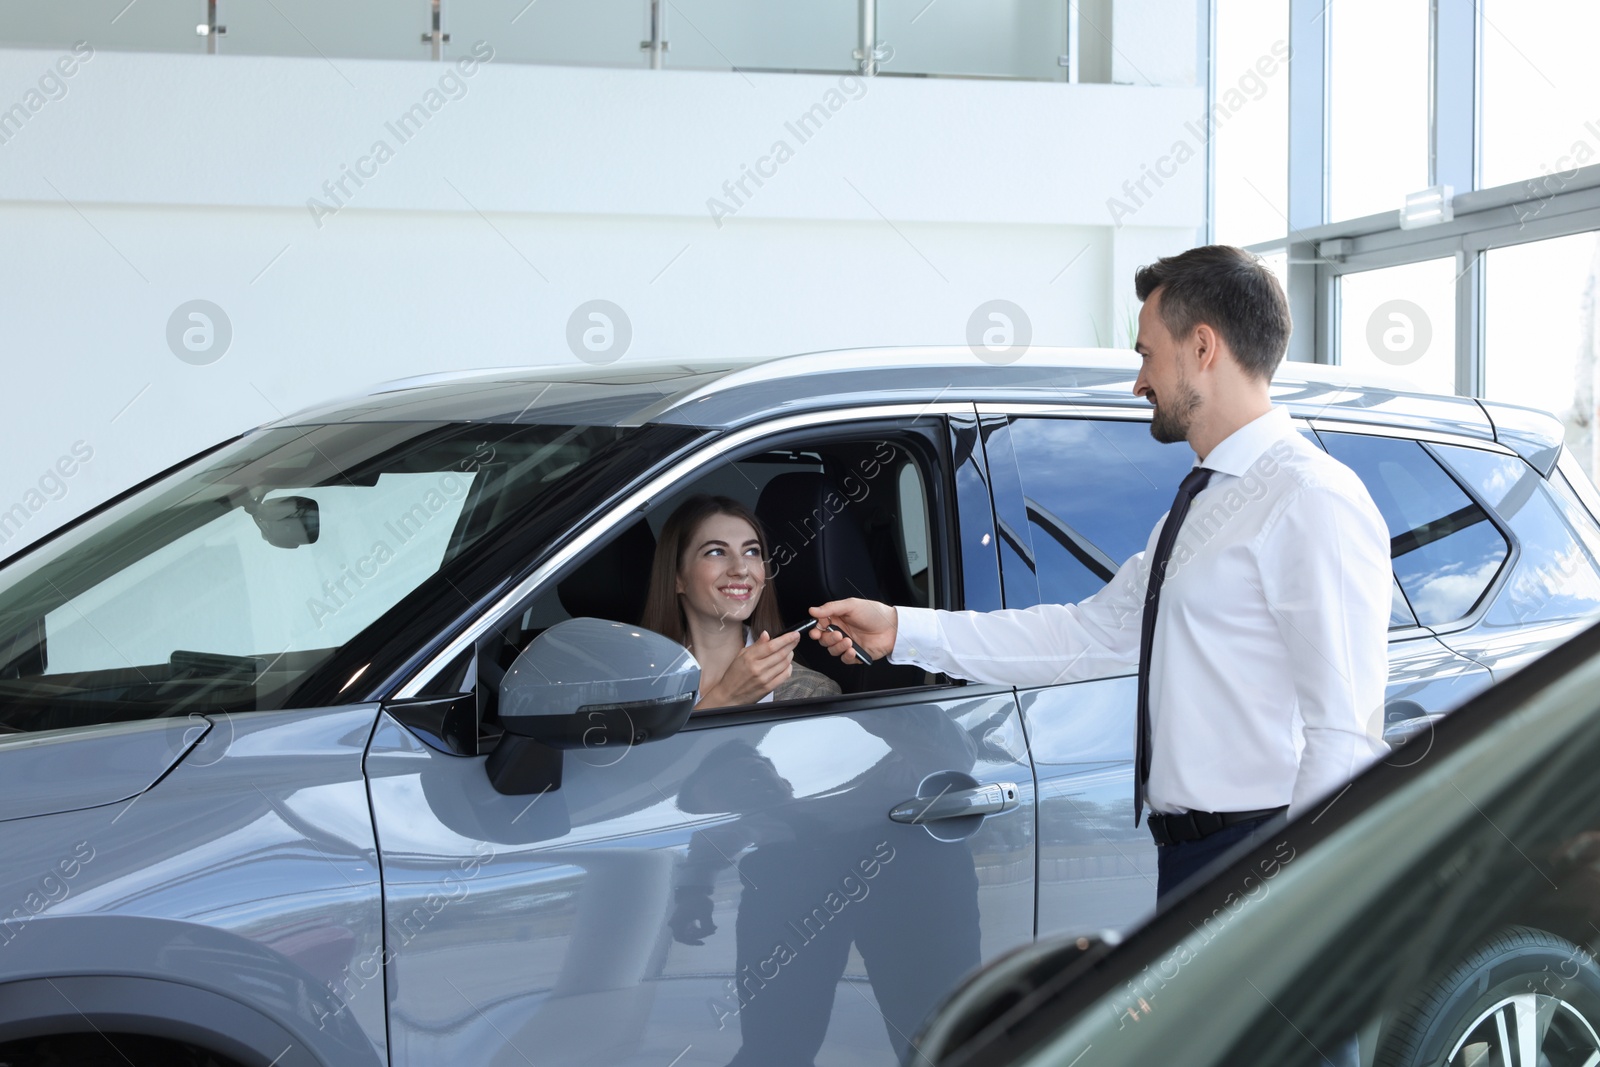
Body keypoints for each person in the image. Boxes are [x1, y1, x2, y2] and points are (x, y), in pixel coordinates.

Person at [808, 244, 1392, 902]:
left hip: (1258, 857)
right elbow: (1084, 634)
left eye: (1146, 353)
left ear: (1203, 347)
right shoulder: (1207, 504)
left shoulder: (1309, 497)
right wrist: (900, 629)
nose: (1139, 382)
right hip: (1192, 857)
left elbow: (1345, 732)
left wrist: (1290, 901)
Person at [641, 494, 839, 711]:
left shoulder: (807, 693)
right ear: (677, 577)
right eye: (716, 552)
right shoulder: (632, 682)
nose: (741, 569)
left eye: (752, 552)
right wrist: (726, 698)